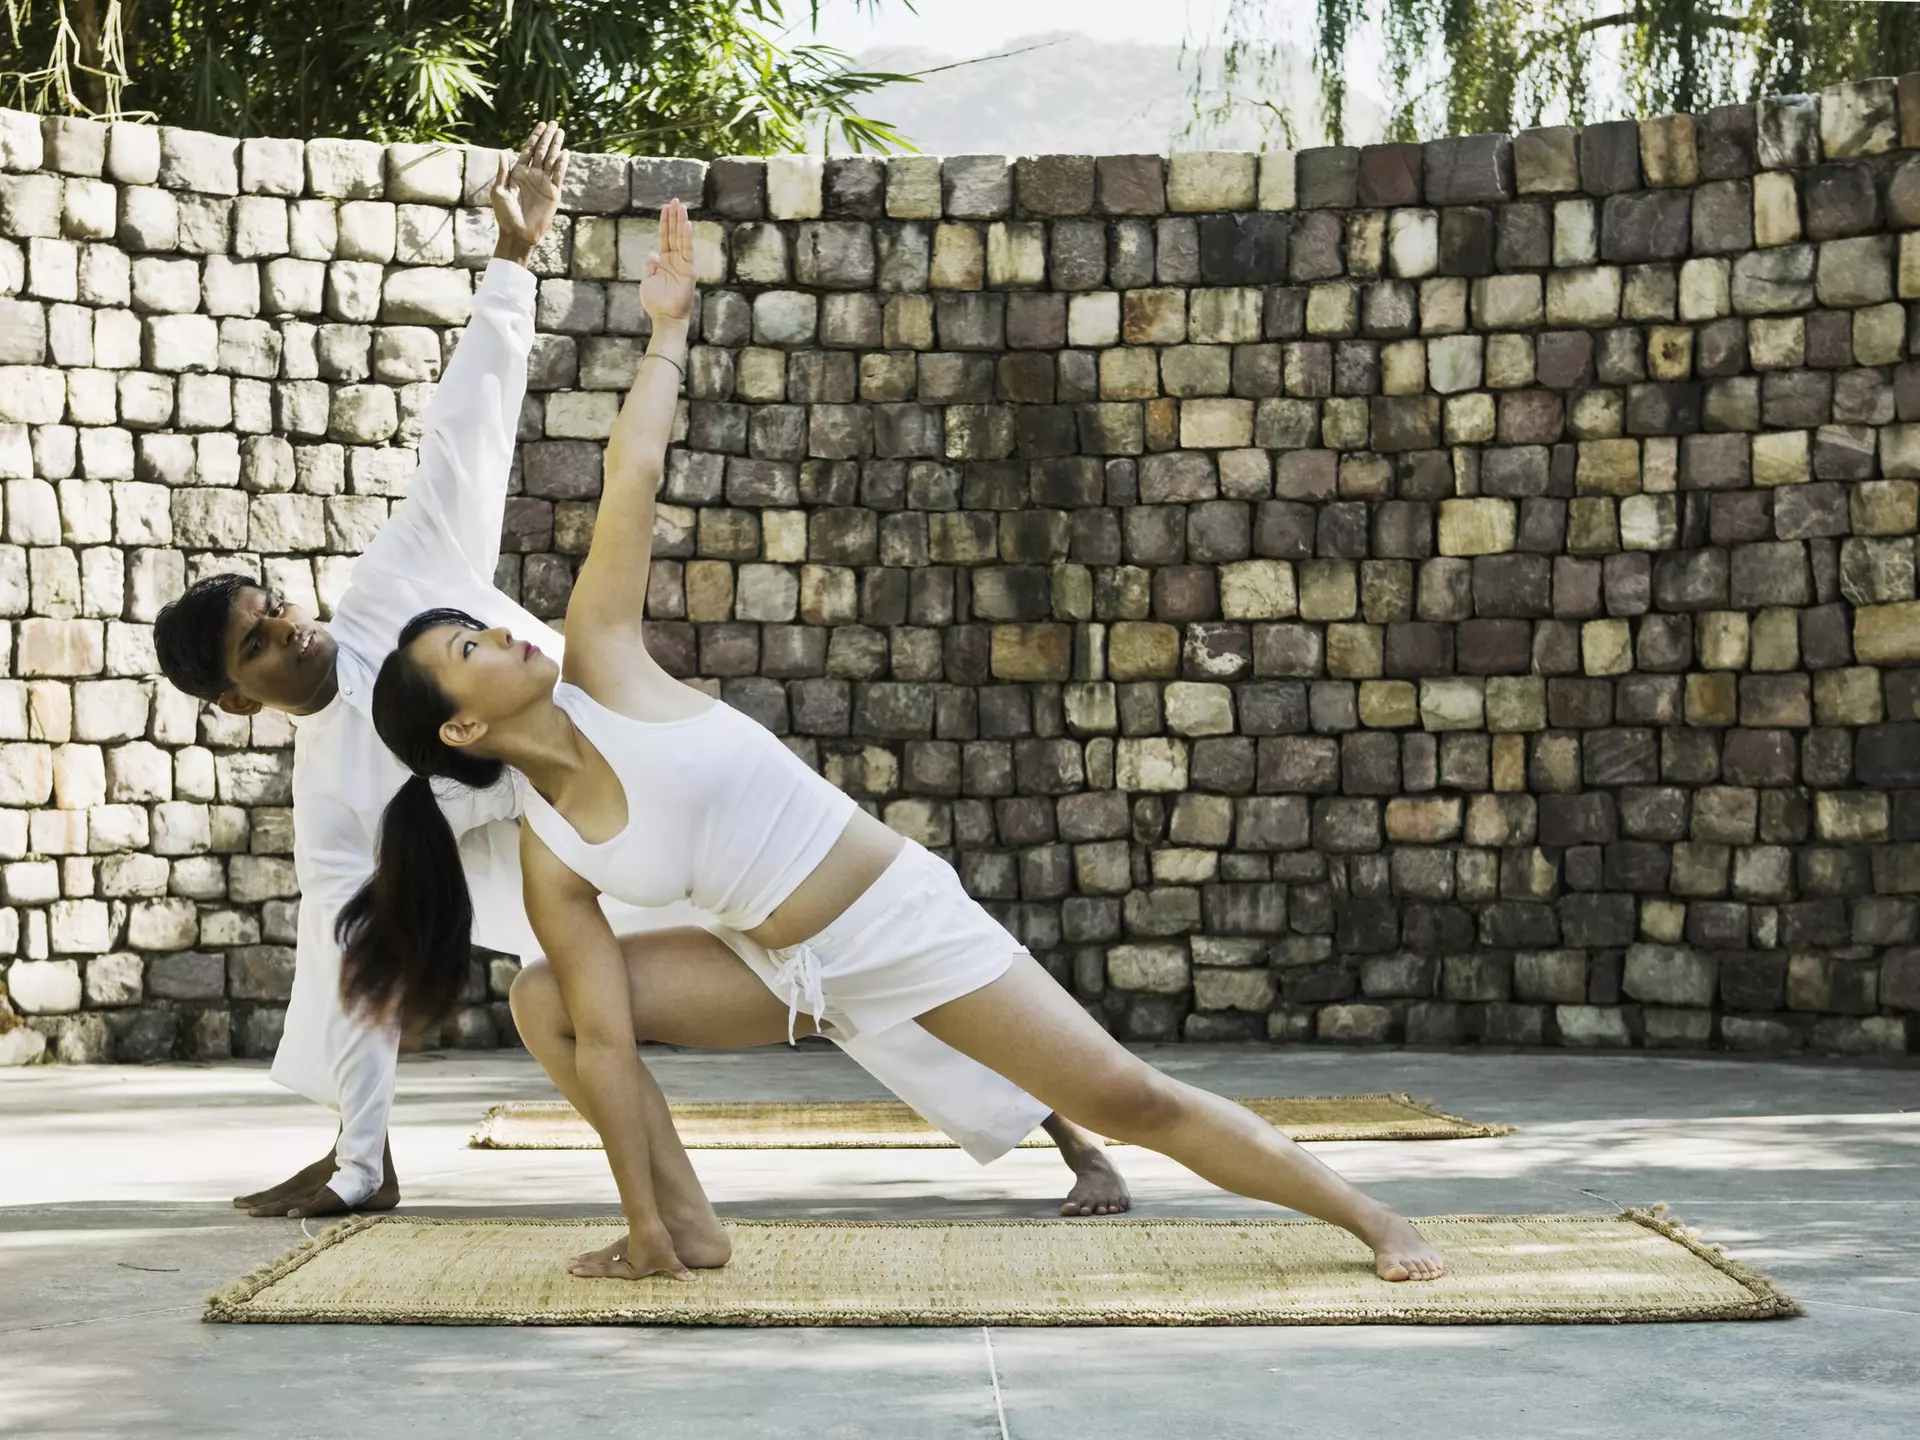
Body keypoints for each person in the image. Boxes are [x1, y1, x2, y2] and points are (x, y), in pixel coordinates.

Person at [352, 199, 1447, 1285]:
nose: (499, 627)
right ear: (463, 724)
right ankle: (683, 1233)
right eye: (468, 642)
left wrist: (669, 332)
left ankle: (1369, 1218)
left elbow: (628, 474)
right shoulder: (551, 854)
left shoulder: (605, 662)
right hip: (776, 969)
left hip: (893, 919)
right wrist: (637, 1226)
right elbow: (606, 1045)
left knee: (1126, 1097)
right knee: (545, 998)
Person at [152, 124, 1130, 1225]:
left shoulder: (393, 586)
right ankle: (659, 1214)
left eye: (276, 607)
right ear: (239, 702)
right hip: (559, 870)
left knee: (856, 947)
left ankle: (1076, 1140)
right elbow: (361, 974)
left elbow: (464, 438)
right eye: (259, 645)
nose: (293, 631)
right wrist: (360, 1162)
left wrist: (513, 264)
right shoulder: (334, 792)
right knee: (587, 996)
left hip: (647, 782)